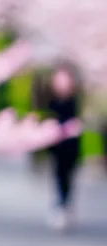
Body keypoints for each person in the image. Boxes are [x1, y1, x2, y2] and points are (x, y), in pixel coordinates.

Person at [45, 63, 83, 231]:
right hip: (57, 146)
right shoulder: (52, 101)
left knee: (67, 176)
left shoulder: (74, 101)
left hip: (71, 146)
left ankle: (65, 204)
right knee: (59, 175)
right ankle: (61, 204)